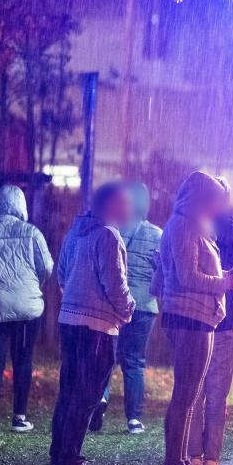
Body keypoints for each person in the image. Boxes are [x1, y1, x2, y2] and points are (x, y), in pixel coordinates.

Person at [156, 171, 233, 465]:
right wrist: (227, 283)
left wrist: (224, 275)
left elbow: (190, 274)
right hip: (190, 319)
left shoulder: (194, 224)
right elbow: (186, 277)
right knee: (186, 397)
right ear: (201, 198)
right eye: (213, 199)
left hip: (198, 318)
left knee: (189, 396)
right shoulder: (183, 225)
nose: (218, 206)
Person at [50, 182, 136, 465]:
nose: (130, 208)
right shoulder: (108, 235)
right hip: (97, 326)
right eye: (125, 202)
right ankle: (70, 460)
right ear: (111, 205)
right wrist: (128, 309)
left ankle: (59, 455)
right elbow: (115, 283)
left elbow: (61, 274)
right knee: (87, 394)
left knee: (70, 390)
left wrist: (75, 296)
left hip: (70, 321)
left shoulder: (75, 232)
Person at [0, 185, 54, 433]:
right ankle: (19, 416)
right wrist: (32, 286)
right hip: (26, 308)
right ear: (21, 205)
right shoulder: (32, 233)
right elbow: (47, 267)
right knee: (23, 360)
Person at [90, 182, 162, 435]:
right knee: (135, 362)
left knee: (108, 357)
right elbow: (163, 271)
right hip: (144, 305)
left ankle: (100, 399)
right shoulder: (156, 234)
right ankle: (134, 419)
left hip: (116, 303)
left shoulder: (113, 229)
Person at [190, 194, 233, 465]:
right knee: (216, 393)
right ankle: (210, 460)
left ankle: (193, 457)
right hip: (227, 319)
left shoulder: (192, 230)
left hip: (201, 318)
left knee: (195, 390)